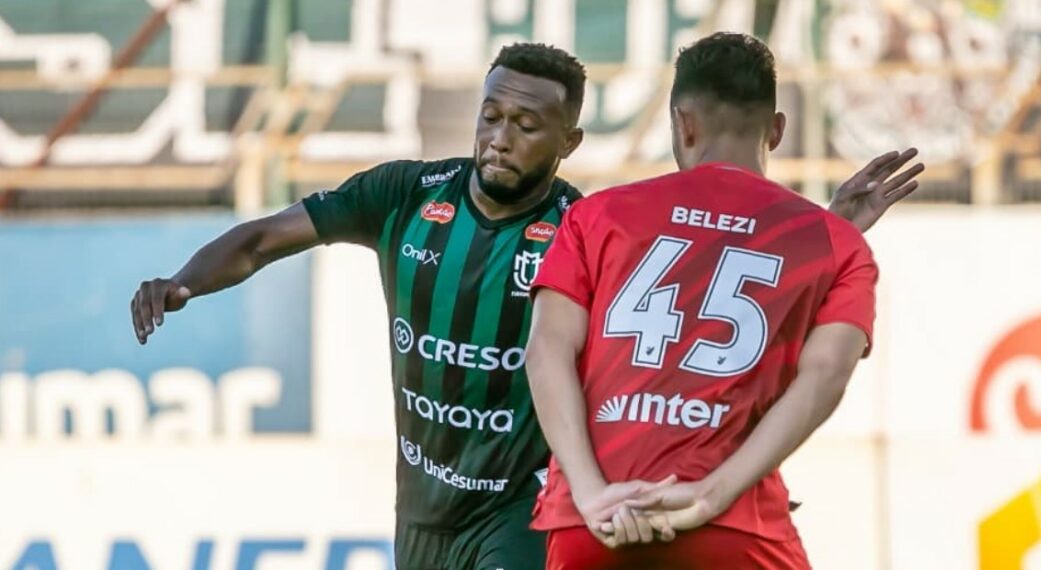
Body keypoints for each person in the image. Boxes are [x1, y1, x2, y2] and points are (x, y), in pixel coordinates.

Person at [131, 42, 921, 570]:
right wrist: (185, 281)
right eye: (491, 116)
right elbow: (264, 238)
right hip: (421, 506)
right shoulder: (406, 195)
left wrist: (827, 229)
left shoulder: (581, 222)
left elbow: (699, 310)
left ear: (568, 142)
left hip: (525, 509)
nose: (500, 137)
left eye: (527, 124)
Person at [527, 32, 891, 569]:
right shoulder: (834, 244)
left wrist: (590, 494)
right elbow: (825, 375)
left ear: (682, 123)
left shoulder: (596, 215)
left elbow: (546, 351)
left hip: (593, 523)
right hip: (731, 526)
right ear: (777, 131)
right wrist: (713, 493)